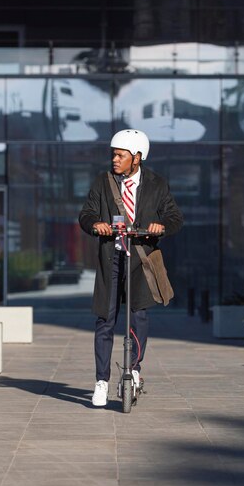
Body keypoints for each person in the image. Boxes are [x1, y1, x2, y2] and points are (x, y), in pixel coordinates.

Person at [79, 129, 183, 407]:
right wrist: (94, 224)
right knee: (105, 319)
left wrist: (162, 226)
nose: (115, 159)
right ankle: (101, 381)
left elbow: (174, 217)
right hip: (111, 258)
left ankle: (134, 370)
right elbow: (86, 213)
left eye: (120, 155)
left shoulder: (157, 185)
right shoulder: (103, 182)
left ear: (136, 158)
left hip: (141, 260)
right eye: (113, 154)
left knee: (138, 316)